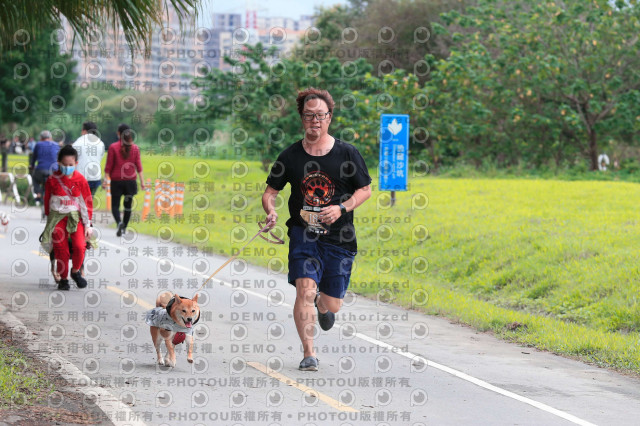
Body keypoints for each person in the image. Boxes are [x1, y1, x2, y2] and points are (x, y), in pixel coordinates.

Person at [262, 87, 372, 371]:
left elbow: (365, 190)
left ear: (329, 117)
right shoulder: (290, 156)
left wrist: (341, 208)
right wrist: (271, 211)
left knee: (332, 304)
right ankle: (308, 353)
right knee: (305, 291)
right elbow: (270, 193)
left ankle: (323, 306)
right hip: (304, 234)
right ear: (302, 118)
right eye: (309, 115)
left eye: (320, 115)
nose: (315, 120)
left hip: (339, 238)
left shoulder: (347, 153)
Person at [40, 145, 94, 291]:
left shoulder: (81, 180)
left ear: (76, 163)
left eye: (71, 165)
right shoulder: (52, 180)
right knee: (61, 250)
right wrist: (49, 221)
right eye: (64, 164)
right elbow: (47, 200)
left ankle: (75, 272)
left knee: (80, 246)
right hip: (57, 218)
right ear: (58, 163)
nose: (67, 167)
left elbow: (86, 203)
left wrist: (88, 224)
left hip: (75, 217)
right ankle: (63, 279)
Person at [104, 125, 145, 236]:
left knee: (115, 206)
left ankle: (119, 223)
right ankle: (124, 228)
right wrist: (142, 182)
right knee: (128, 206)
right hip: (130, 182)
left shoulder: (113, 147)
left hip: (116, 181)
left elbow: (108, 166)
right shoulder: (135, 148)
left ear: (119, 133)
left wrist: (105, 180)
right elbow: (139, 167)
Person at [72, 121, 105, 196]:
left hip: (80, 176)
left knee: (79, 199)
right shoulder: (100, 143)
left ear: (84, 131)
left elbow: (71, 158)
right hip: (95, 177)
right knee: (89, 199)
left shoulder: (78, 142)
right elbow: (101, 157)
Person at [30, 130, 60, 206]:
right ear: (50, 138)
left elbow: (34, 158)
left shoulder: (38, 144)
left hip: (41, 170)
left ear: (41, 138)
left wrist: (32, 166)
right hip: (53, 171)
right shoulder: (56, 145)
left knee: (34, 178)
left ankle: (38, 193)